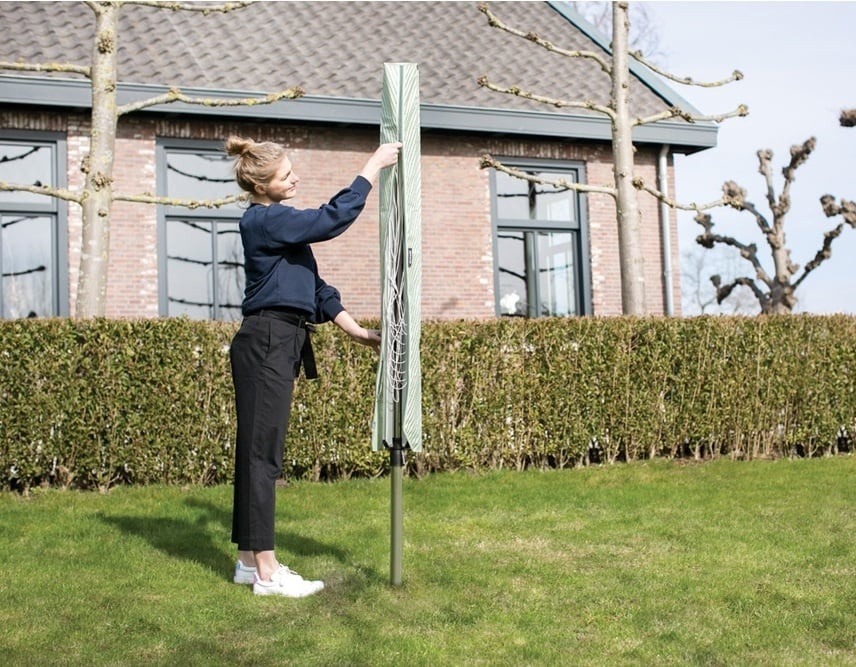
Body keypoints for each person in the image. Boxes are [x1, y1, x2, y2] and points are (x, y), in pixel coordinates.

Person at [224, 135, 401, 597]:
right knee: (264, 458)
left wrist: (357, 331)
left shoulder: (280, 229)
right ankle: (267, 572)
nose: (295, 177)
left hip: (276, 339)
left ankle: (247, 562)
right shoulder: (265, 220)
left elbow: (315, 288)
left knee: (255, 454)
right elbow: (332, 219)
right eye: (285, 175)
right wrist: (373, 167)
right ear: (261, 186)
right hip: (267, 341)